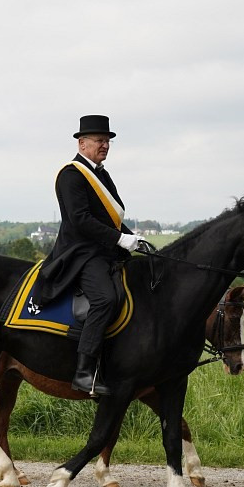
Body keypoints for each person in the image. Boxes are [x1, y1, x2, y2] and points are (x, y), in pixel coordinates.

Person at [36, 115, 144, 396]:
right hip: (81, 253)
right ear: (82, 143)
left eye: (107, 141)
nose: (104, 145)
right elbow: (80, 220)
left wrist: (135, 240)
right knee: (105, 299)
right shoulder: (71, 174)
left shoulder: (102, 174)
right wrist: (120, 238)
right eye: (99, 140)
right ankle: (84, 372)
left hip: (105, 250)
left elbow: (111, 219)